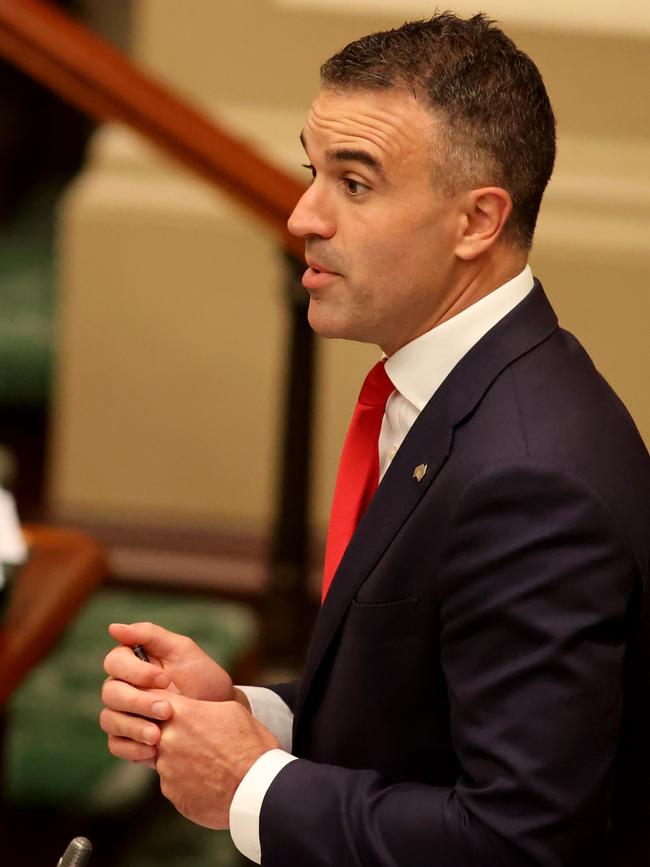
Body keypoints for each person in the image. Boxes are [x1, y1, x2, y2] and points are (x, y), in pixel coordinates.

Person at [100, 13, 650, 866]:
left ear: (477, 222)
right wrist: (253, 721)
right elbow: (426, 712)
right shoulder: (454, 390)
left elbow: (520, 842)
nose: (301, 216)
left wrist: (248, 784)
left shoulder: (533, 481)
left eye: (354, 184)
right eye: (311, 170)